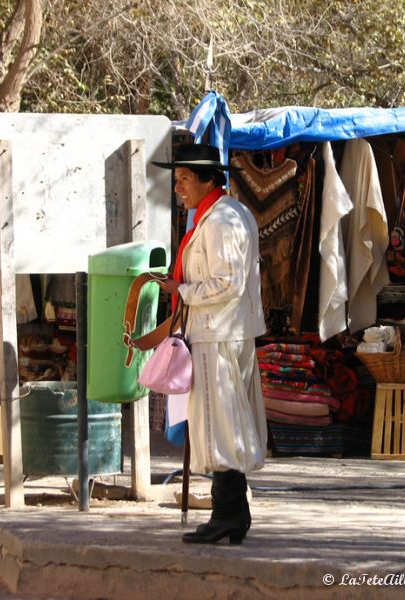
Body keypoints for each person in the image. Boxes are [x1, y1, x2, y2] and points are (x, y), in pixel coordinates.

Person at [153, 143, 267, 545]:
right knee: (225, 423)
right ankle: (233, 513)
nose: (178, 188)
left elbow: (225, 283)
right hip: (220, 329)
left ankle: (227, 513)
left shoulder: (221, 220)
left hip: (220, 330)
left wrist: (181, 290)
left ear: (206, 179)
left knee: (221, 424)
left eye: (184, 179)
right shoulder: (220, 215)